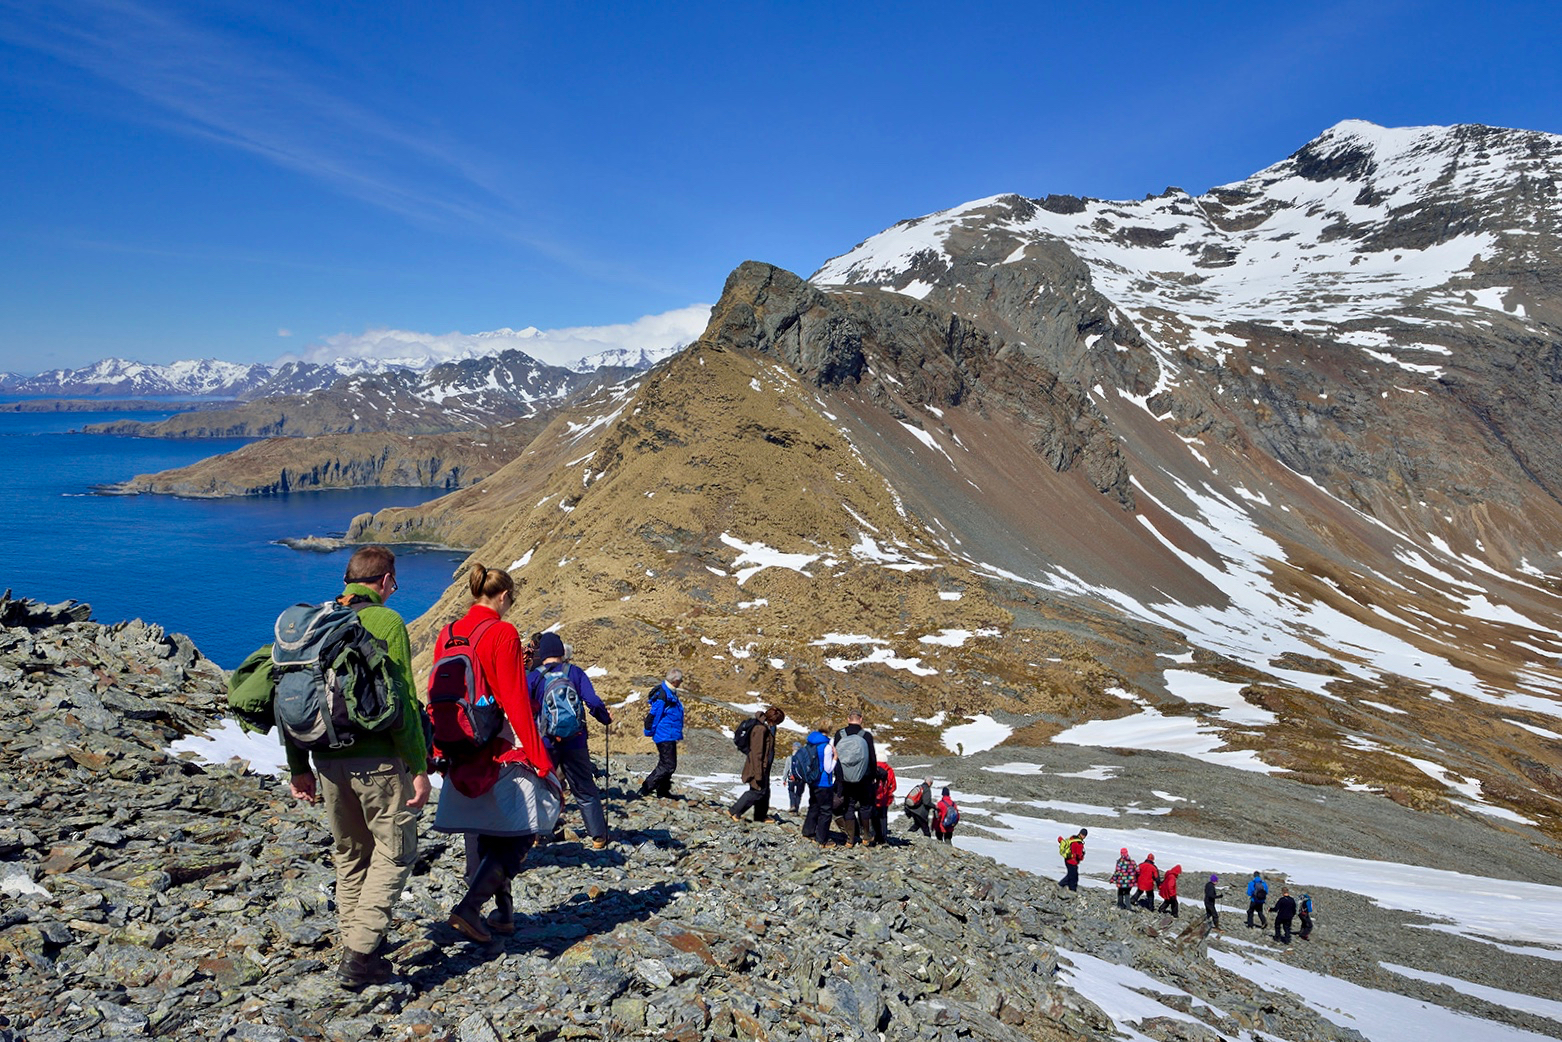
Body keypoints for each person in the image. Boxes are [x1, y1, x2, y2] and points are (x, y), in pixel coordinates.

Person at [285, 546, 431, 989]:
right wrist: (418, 765)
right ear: (385, 581)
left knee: (351, 854)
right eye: (395, 581)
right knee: (397, 850)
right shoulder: (387, 621)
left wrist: (298, 768)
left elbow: (288, 698)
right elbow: (403, 699)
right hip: (378, 761)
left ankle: (356, 943)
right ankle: (361, 953)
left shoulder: (315, 622)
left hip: (325, 759)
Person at [431, 564, 559, 945]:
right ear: (502, 597)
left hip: (459, 746)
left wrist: (439, 748)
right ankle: (471, 909)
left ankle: (502, 914)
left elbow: (437, 693)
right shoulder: (502, 632)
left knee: (486, 828)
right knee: (521, 830)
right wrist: (540, 758)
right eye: (511, 600)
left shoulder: (448, 633)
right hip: (497, 745)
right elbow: (515, 700)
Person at [529, 631, 612, 849]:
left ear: (543, 653)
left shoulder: (534, 676)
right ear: (560, 652)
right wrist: (603, 717)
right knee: (584, 787)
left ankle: (536, 835)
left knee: (542, 787)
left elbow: (524, 706)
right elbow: (592, 701)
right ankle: (598, 837)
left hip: (546, 742)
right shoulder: (575, 672)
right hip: (575, 741)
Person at [832, 711, 878, 848]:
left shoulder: (839, 734)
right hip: (864, 777)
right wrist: (873, 775)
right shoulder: (866, 736)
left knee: (849, 806)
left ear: (848, 719)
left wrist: (838, 777)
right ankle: (866, 836)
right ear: (861, 719)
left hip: (845, 778)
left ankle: (850, 840)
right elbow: (872, 758)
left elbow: (836, 756)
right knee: (864, 806)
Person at [731, 706, 785, 821]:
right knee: (757, 792)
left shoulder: (764, 726)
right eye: (778, 722)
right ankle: (734, 811)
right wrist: (758, 773)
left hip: (763, 766)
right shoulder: (761, 729)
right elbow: (757, 753)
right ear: (773, 720)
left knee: (765, 792)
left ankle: (760, 816)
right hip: (758, 766)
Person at [639, 669, 685, 799]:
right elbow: (654, 714)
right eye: (680, 680)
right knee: (668, 765)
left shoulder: (669, 692)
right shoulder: (664, 694)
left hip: (669, 734)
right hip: (664, 734)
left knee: (669, 764)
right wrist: (649, 730)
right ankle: (646, 787)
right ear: (675, 681)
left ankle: (663, 790)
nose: (681, 682)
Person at [800, 722, 837, 845]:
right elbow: (828, 768)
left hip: (813, 780)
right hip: (824, 782)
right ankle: (821, 839)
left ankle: (808, 831)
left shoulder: (810, 742)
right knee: (825, 811)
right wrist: (835, 758)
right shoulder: (825, 746)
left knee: (814, 806)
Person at [871, 760, 896, 845]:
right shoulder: (889, 770)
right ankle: (883, 837)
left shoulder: (873, 767)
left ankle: (874, 836)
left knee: (874, 817)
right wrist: (888, 793)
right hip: (885, 799)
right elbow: (894, 786)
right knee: (883, 817)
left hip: (873, 797)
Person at [785, 742, 806, 812]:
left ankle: (792, 805)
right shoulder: (804, 758)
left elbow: (786, 769)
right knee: (799, 793)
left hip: (791, 777)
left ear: (793, 748)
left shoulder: (789, 758)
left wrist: (784, 778)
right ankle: (796, 808)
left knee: (791, 791)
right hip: (801, 779)